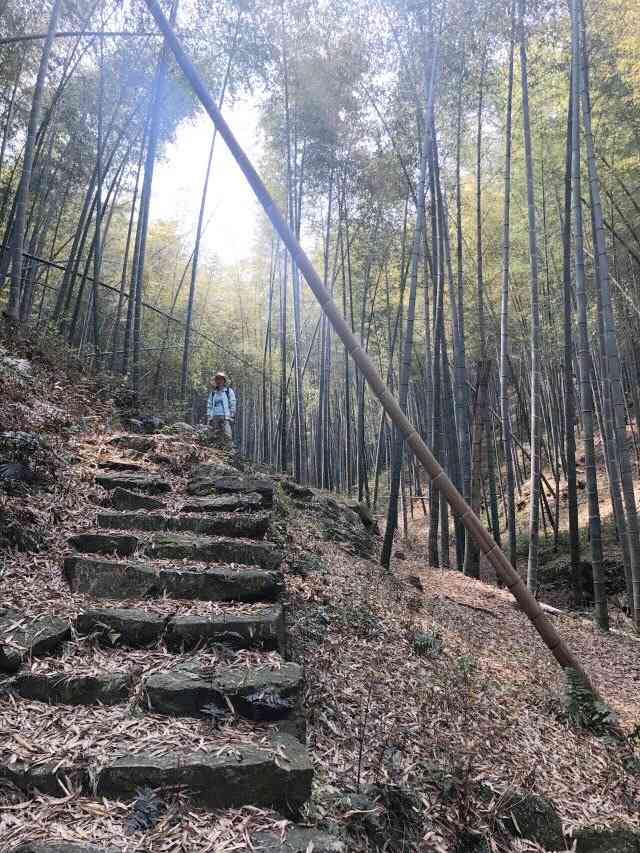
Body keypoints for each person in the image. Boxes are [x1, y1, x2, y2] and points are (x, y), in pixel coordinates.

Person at [207, 371, 236, 443]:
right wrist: (209, 416)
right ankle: (215, 451)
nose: (219, 381)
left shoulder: (228, 391)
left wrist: (232, 415)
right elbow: (209, 405)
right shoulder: (213, 393)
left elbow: (233, 403)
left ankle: (228, 451)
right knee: (214, 435)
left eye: (221, 379)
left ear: (224, 380)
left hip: (225, 416)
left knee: (227, 435)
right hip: (214, 416)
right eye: (217, 379)